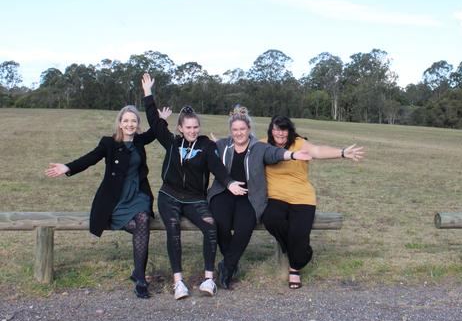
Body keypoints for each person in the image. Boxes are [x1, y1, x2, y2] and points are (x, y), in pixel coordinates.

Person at [45, 104, 172, 298]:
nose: (130, 124)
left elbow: (154, 131)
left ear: (138, 124)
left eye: (134, 121)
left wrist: (160, 119)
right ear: (120, 123)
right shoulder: (109, 143)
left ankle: (140, 278)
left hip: (138, 195)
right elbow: (90, 158)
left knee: (144, 219)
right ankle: (138, 273)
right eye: (126, 120)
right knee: (140, 227)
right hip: (115, 198)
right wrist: (67, 167)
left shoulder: (139, 140)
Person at [142, 73, 246, 299]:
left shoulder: (206, 145)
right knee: (173, 228)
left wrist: (229, 183)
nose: (192, 131)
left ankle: (209, 279)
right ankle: (178, 282)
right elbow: (153, 120)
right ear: (180, 128)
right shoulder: (172, 142)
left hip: (196, 198)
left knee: (211, 226)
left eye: (195, 127)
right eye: (188, 127)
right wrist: (148, 93)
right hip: (169, 196)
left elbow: (217, 167)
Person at [206, 106, 311, 290]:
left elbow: (275, 153)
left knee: (244, 227)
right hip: (223, 193)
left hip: (249, 196)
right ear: (231, 131)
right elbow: (206, 153)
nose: (239, 133)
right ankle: (231, 263)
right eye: (235, 130)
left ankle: (227, 266)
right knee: (220, 223)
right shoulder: (222, 145)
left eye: (242, 129)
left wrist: (292, 154)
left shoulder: (259, 147)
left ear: (249, 130)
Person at [262, 115, 363, 288]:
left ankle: (294, 269)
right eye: (276, 129)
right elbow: (241, 148)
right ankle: (302, 252)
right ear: (271, 130)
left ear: (289, 130)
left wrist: (342, 153)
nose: (279, 133)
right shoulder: (263, 144)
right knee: (271, 219)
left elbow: (317, 151)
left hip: (302, 197)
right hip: (276, 196)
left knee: (299, 232)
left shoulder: (300, 143)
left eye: (284, 129)